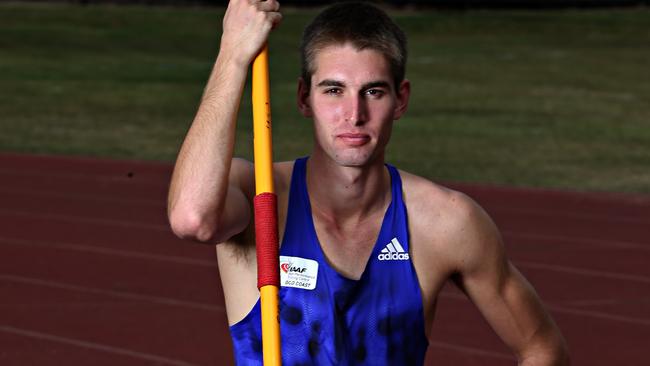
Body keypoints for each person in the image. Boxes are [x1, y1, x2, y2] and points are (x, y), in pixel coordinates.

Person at [168, 1, 569, 365]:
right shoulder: (260, 195)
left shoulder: (445, 222)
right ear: (304, 99)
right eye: (334, 91)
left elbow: (541, 346)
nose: (354, 114)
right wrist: (233, 56)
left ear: (401, 100)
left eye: (373, 92)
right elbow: (192, 219)